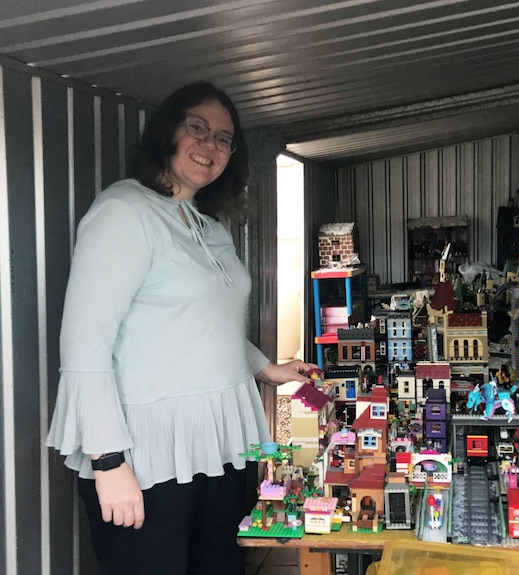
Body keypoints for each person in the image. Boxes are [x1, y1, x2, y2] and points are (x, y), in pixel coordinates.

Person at [46, 81, 319, 575]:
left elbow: (203, 322)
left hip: (216, 445)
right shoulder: (123, 212)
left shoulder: (207, 224)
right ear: (167, 132)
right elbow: (85, 344)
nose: (209, 145)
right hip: (146, 454)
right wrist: (108, 463)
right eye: (197, 128)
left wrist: (266, 369)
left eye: (223, 138)